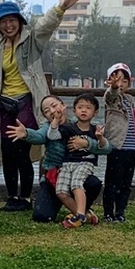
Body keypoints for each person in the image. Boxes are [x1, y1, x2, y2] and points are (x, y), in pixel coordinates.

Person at [0, 0, 82, 212]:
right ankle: (11, 196)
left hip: (27, 100)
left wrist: (61, 7)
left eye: (12, 20)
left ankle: (25, 197)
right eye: (3, 21)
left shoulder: (32, 41)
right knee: (7, 150)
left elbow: (46, 26)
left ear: (20, 21)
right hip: (5, 103)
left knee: (24, 148)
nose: (8, 25)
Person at [6, 95, 109, 223]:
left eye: (54, 106)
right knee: (42, 216)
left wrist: (86, 144)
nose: (52, 111)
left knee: (94, 183)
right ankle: (83, 214)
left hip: (76, 174)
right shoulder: (49, 127)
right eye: (47, 110)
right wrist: (26, 133)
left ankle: (81, 211)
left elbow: (105, 149)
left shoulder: (77, 124)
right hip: (54, 178)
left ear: (63, 105)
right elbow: (39, 137)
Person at [51, 93, 110, 228]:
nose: (84, 110)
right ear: (74, 110)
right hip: (67, 164)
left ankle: (80, 217)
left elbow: (105, 147)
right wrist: (56, 120)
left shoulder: (96, 129)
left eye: (88, 108)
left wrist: (99, 138)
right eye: (80, 107)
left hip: (85, 162)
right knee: (60, 191)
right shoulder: (68, 128)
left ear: (95, 112)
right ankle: (84, 214)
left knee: (76, 184)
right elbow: (52, 136)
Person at [102, 63, 135, 222]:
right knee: (112, 182)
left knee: (126, 183)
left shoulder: (130, 99)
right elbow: (111, 95)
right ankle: (108, 212)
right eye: (117, 79)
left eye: (125, 81)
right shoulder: (111, 98)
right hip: (117, 146)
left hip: (132, 148)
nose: (121, 84)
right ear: (110, 80)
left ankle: (120, 212)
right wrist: (113, 87)